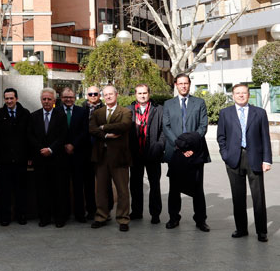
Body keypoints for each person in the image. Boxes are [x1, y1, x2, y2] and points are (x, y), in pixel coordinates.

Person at [217, 84, 272, 242]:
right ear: (232, 95)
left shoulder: (259, 113)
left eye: (244, 93)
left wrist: (266, 160)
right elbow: (221, 137)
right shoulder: (225, 113)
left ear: (249, 95)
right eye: (237, 93)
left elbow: (265, 138)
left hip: (255, 158)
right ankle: (241, 228)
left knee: (258, 197)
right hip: (233, 159)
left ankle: (261, 231)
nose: (241, 95)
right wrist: (225, 155)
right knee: (238, 196)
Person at [163, 73, 210, 232]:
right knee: (174, 188)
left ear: (189, 85)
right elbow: (166, 127)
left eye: (186, 83)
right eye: (180, 83)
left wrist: (190, 146)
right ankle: (173, 217)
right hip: (176, 152)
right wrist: (181, 146)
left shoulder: (199, 103)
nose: (183, 86)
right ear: (175, 85)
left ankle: (200, 220)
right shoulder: (168, 104)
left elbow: (203, 127)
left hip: (195, 152)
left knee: (198, 188)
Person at [89, 85, 133, 232]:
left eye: (111, 94)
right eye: (105, 95)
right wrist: (106, 135)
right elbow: (92, 129)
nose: (108, 97)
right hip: (101, 156)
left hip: (119, 157)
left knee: (122, 190)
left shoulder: (125, 112)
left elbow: (124, 126)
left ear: (116, 95)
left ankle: (123, 218)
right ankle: (101, 216)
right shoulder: (97, 112)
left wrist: (103, 127)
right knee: (100, 189)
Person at [28, 88, 69, 227]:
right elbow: (30, 136)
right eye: (44, 99)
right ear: (41, 100)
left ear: (54, 101)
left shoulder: (61, 115)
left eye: (49, 99)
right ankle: (44, 218)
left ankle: (59, 218)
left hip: (57, 159)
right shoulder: (34, 116)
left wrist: (51, 149)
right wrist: (41, 149)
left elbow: (63, 136)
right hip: (40, 159)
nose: (46, 101)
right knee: (42, 190)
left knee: (58, 190)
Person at [126, 84, 165, 224]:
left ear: (149, 94)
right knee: (135, 184)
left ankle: (155, 213)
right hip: (136, 153)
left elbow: (163, 131)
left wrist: (159, 146)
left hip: (152, 152)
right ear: (135, 95)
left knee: (155, 184)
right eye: (139, 93)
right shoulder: (128, 110)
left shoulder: (159, 109)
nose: (142, 95)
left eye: (145, 93)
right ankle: (136, 211)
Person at [0, 88, 31, 226]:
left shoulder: (25, 114)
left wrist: (29, 156)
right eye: (7, 98)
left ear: (17, 98)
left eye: (11, 98)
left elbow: (29, 136)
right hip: (4, 160)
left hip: (21, 159)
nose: (9, 101)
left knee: (21, 190)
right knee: (5, 191)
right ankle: (5, 217)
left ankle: (21, 215)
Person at [60, 87, 90, 223]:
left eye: (71, 97)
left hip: (78, 154)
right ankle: (64, 214)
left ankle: (80, 214)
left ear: (74, 98)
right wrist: (65, 144)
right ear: (61, 98)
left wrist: (73, 145)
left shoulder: (82, 112)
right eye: (66, 97)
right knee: (63, 186)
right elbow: (55, 132)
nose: (68, 99)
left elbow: (85, 131)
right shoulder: (56, 111)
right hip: (61, 155)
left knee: (79, 186)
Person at [82, 85, 106, 218]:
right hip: (86, 151)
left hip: (102, 149)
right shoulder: (81, 109)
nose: (92, 96)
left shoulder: (105, 108)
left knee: (104, 182)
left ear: (99, 95)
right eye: (90, 94)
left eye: (95, 94)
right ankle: (91, 210)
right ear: (87, 95)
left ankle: (106, 210)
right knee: (88, 182)